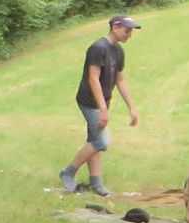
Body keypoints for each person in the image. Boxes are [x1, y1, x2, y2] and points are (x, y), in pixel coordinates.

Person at [59, 15, 141, 197]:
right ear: (115, 27)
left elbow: (120, 80)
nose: (129, 35)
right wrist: (102, 109)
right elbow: (93, 79)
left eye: (131, 31)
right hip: (90, 100)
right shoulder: (98, 48)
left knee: (94, 140)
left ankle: (96, 183)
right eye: (127, 30)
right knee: (101, 142)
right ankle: (68, 173)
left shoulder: (118, 51)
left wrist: (132, 107)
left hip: (103, 101)